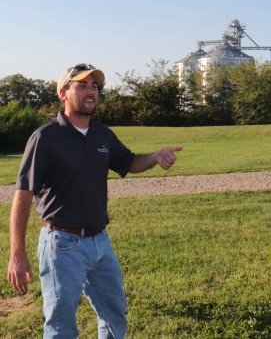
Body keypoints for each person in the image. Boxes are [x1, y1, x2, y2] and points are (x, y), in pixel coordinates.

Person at [6, 63, 183, 339]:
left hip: (100, 242)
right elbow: (23, 195)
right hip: (61, 245)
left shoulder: (102, 134)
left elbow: (129, 162)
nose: (91, 91)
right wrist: (17, 252)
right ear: (64, 93)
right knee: (61, 327)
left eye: (95, 86)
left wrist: (154, 157)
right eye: (82, 85)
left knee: (114, 315)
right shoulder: (45, 137)